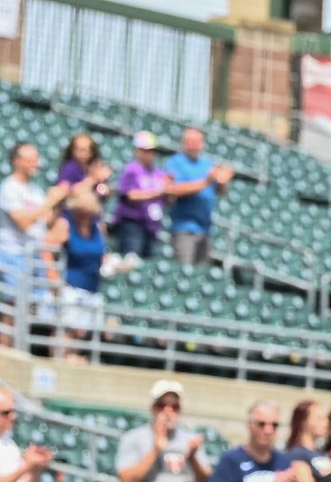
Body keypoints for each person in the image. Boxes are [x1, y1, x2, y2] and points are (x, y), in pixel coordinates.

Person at [1, 141, 61, 347]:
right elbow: (24, 221)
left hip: (33, 254)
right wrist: (50, 202)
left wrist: (58, 203)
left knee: (28, 310)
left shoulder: (35, 190)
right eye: (31, 159)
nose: (36, 163)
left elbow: (43, 222)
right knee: (13, 308)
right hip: (13, 253)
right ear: (16, 161)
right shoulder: (9, 188)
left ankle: (17, 352)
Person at [163, 126, 233, 266]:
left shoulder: (207, 163)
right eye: (189, 141)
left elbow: (220, 191)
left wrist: (223, 180)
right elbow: (173, 190)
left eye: (196, 141)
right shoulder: (175, 162)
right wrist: (205, 182)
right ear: (184, 143)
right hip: (184, 228)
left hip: (205, 228)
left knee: (201, 276)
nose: (193, 145)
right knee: (184, 271)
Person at [55, 191, 108, 357]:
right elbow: (46, 249)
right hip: (71, 285)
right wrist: (54, 279)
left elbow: (103, 254)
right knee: (67, 331)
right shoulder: (65, 224)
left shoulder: (98, 226)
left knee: (83, 335)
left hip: (92, 287)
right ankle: (59, 362)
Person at [110, 132, 171, 264]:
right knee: (131, 261)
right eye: (145, 150)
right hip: (132, 222)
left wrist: (170, 189)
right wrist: (159, 191)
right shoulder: (131, 170)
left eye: (151, 151)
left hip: (151, 226)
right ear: (137, 150)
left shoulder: (159, 173)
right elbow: (130, 195)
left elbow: (168, 200)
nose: (148, 154)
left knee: (147, 265)